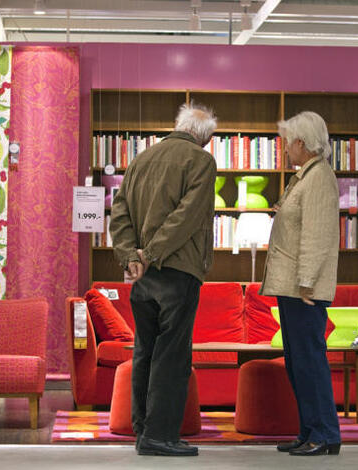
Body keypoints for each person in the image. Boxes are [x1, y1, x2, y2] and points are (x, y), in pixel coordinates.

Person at [109, 102, 217, 457]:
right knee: (172, 355)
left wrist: (131, 256)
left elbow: (119, 213)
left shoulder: (141, 159)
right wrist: (152, 253)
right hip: (177, 270)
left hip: (141, 276)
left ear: (178, 125)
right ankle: (160, 436)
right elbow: (188, 216)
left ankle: (143, 430)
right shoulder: (201, 161)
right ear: (205, 138)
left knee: (146, 351)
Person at [260, 111, 341, 456]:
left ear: (302, 143)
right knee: (298, 362)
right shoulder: (305, 176)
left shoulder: (319, 177)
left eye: (287, 142)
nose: (284, 148)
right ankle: (309, 430)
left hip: (303, 289)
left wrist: (307, 281)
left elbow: (317, 236)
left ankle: (324, 434)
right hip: (292, 287)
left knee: (309, 361)